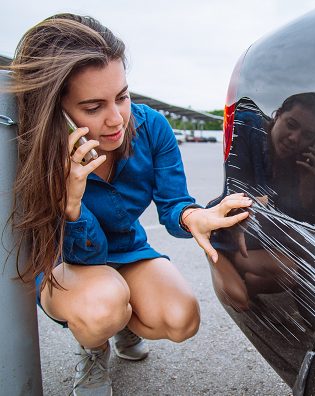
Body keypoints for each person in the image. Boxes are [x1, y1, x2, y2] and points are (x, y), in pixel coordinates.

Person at [6, 14, 252, 396]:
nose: (116, 118)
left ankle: (118, 321)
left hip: (126, 249)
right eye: (92, 107)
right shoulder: (34, 151)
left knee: (181, 318)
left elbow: (173, 204)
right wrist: (70, 202)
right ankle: (94, 345)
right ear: (56, 111)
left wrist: (194, 216)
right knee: (102, 306)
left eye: (122, 96)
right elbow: (83, 252)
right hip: (66, 259)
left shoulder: (151, 126)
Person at [210, 93, 315, 309]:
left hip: (255, 241)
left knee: (294, 270)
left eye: (307, 135)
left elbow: (298, 220)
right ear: (278, 114)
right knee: (239, 300)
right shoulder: (250, 133)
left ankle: (244, 272)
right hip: (228, 235)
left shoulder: (294, 163)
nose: (294, 138)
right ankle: (218, 256)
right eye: (291, 125)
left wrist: (308, 182)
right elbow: (236, 186)